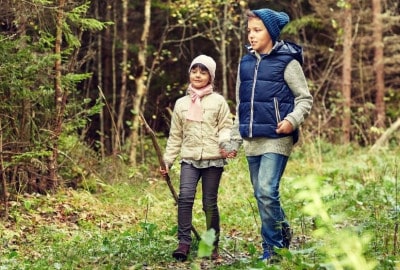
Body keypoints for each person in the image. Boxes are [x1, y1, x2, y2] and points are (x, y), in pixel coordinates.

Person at [228, 8, 313, 262]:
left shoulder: (288, 62)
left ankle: (272, 249)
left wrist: (291, 120)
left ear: (271, 33)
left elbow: (304, 99)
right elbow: (240, 105)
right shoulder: (245, 63)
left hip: (278, 137)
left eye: (257, 30)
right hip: (252, 140)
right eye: (249, 31)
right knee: (262, 194)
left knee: (266, 190)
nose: (251, 36)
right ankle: (283, 229)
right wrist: (233, 139)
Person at [160, 55, 233, 262]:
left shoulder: (218, 102)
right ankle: (183, 243)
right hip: (190, 159)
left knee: (209, 203)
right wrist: (167, 161)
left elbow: (226, 127)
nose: (198, 75)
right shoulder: (181, 103)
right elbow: (175, 136)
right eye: (194, 71)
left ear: (210, 76)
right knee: (185, 199)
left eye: (203, 72)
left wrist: (225, 145)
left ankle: (212, 245)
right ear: (189, 73)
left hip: (213, 159)